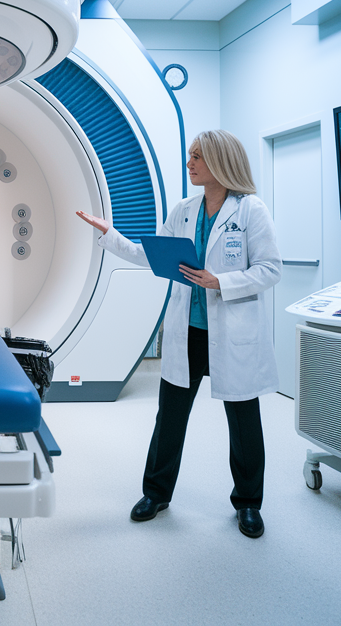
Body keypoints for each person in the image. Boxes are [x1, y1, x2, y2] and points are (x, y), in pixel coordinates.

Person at [76, 129, 281, 539]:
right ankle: (156, 493)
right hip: (188, 330)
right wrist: (109, 235)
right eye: (190, 156)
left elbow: (270, 269)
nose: (190, 164)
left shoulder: (250, 211)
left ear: (220, 162)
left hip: (232, 332)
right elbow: (151, 255)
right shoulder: (185, 210)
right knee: (169, 418)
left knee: (243, 423)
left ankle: (248, 504)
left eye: (197, 157)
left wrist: (220, 282)